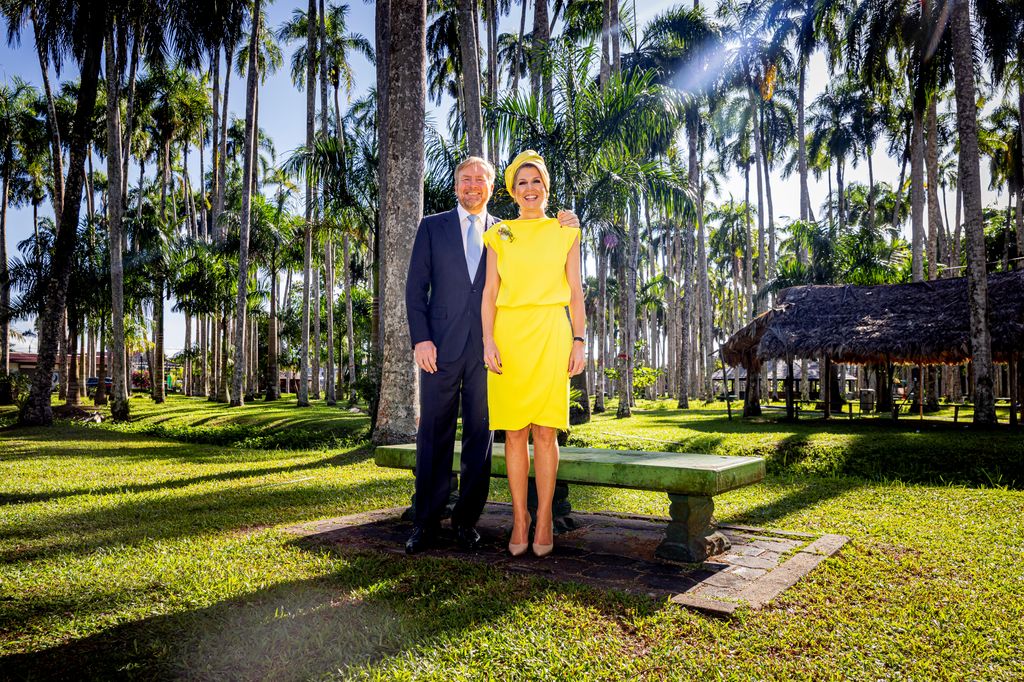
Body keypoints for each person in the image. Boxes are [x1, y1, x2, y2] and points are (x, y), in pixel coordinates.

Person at [404, 156, 579, 554]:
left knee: (480, 438)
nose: (472, 185)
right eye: (465, 179)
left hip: (493, 349)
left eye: (480, 179)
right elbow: (415, 289)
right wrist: (421, 339)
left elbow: (538, 260)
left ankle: (466, 521)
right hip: (440, 348)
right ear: (456, 186)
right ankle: (425, 523)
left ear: (492, 187)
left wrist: (569, 219)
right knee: (433, 434)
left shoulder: (506, 231)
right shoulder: (432, 227)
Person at [481, 150, 586, 557]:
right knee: (513, 432)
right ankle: (519, 518)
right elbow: (490, 292)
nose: (529, 189)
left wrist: (579, 340)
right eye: (521, 183)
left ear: (546, 187)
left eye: (536, 181)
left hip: (551, 333)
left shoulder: (565, 231)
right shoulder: (500, 233)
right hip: (509, 335)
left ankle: (543, 518)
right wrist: (488, 340)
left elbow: (576, 292)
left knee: (545, 430)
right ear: (512, 191)